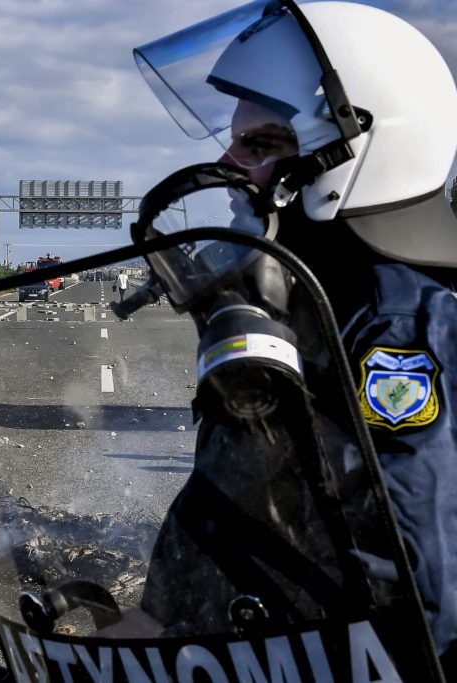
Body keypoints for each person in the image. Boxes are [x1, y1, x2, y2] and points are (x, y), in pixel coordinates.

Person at [132, 0, 457, 670]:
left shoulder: (399, 326)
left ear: (343, 163)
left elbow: (415, 594)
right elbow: (234, 486)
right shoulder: (306, 306)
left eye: (260, 145)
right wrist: (148, 625)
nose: (228, 167)